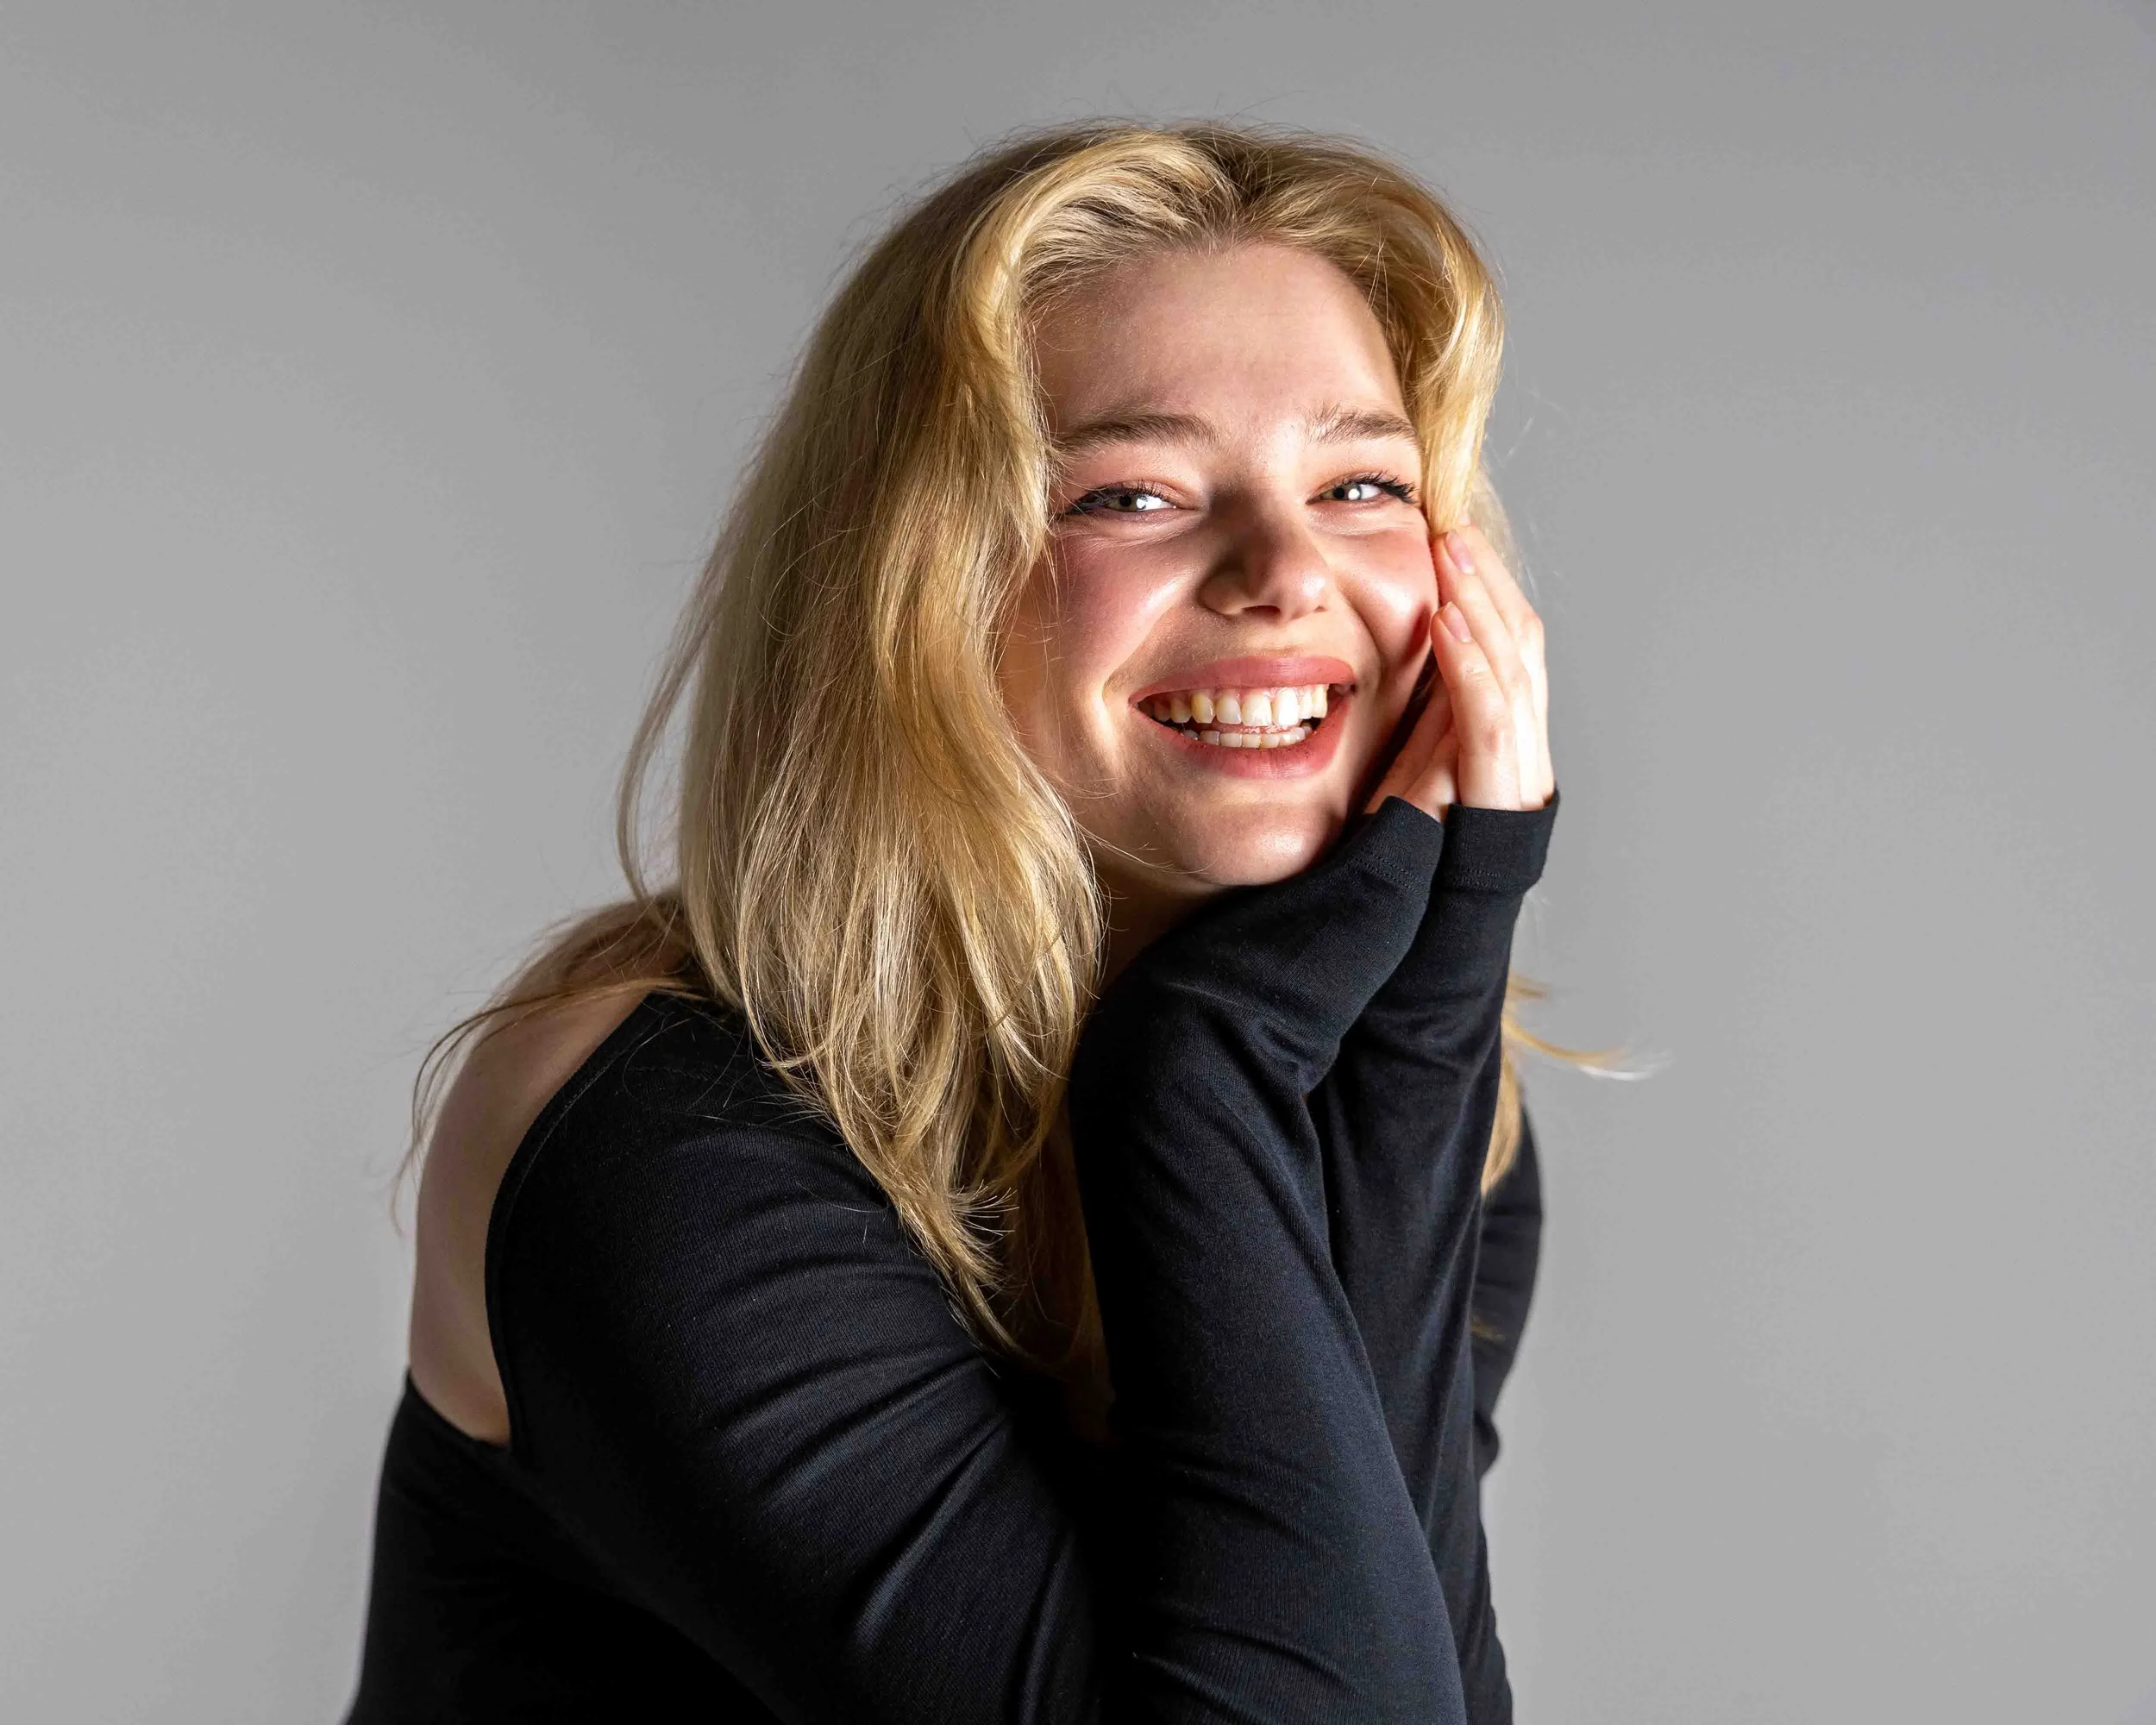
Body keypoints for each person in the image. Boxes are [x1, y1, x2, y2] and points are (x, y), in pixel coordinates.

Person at [347, 119, 1564, 1723]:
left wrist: (1414, 1031)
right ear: (915, 586)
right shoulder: (662, 1141)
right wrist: (1201, 1066)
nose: (1285, 574)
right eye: (1129, 493)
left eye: (1360, 482)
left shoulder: (1409, 1100)